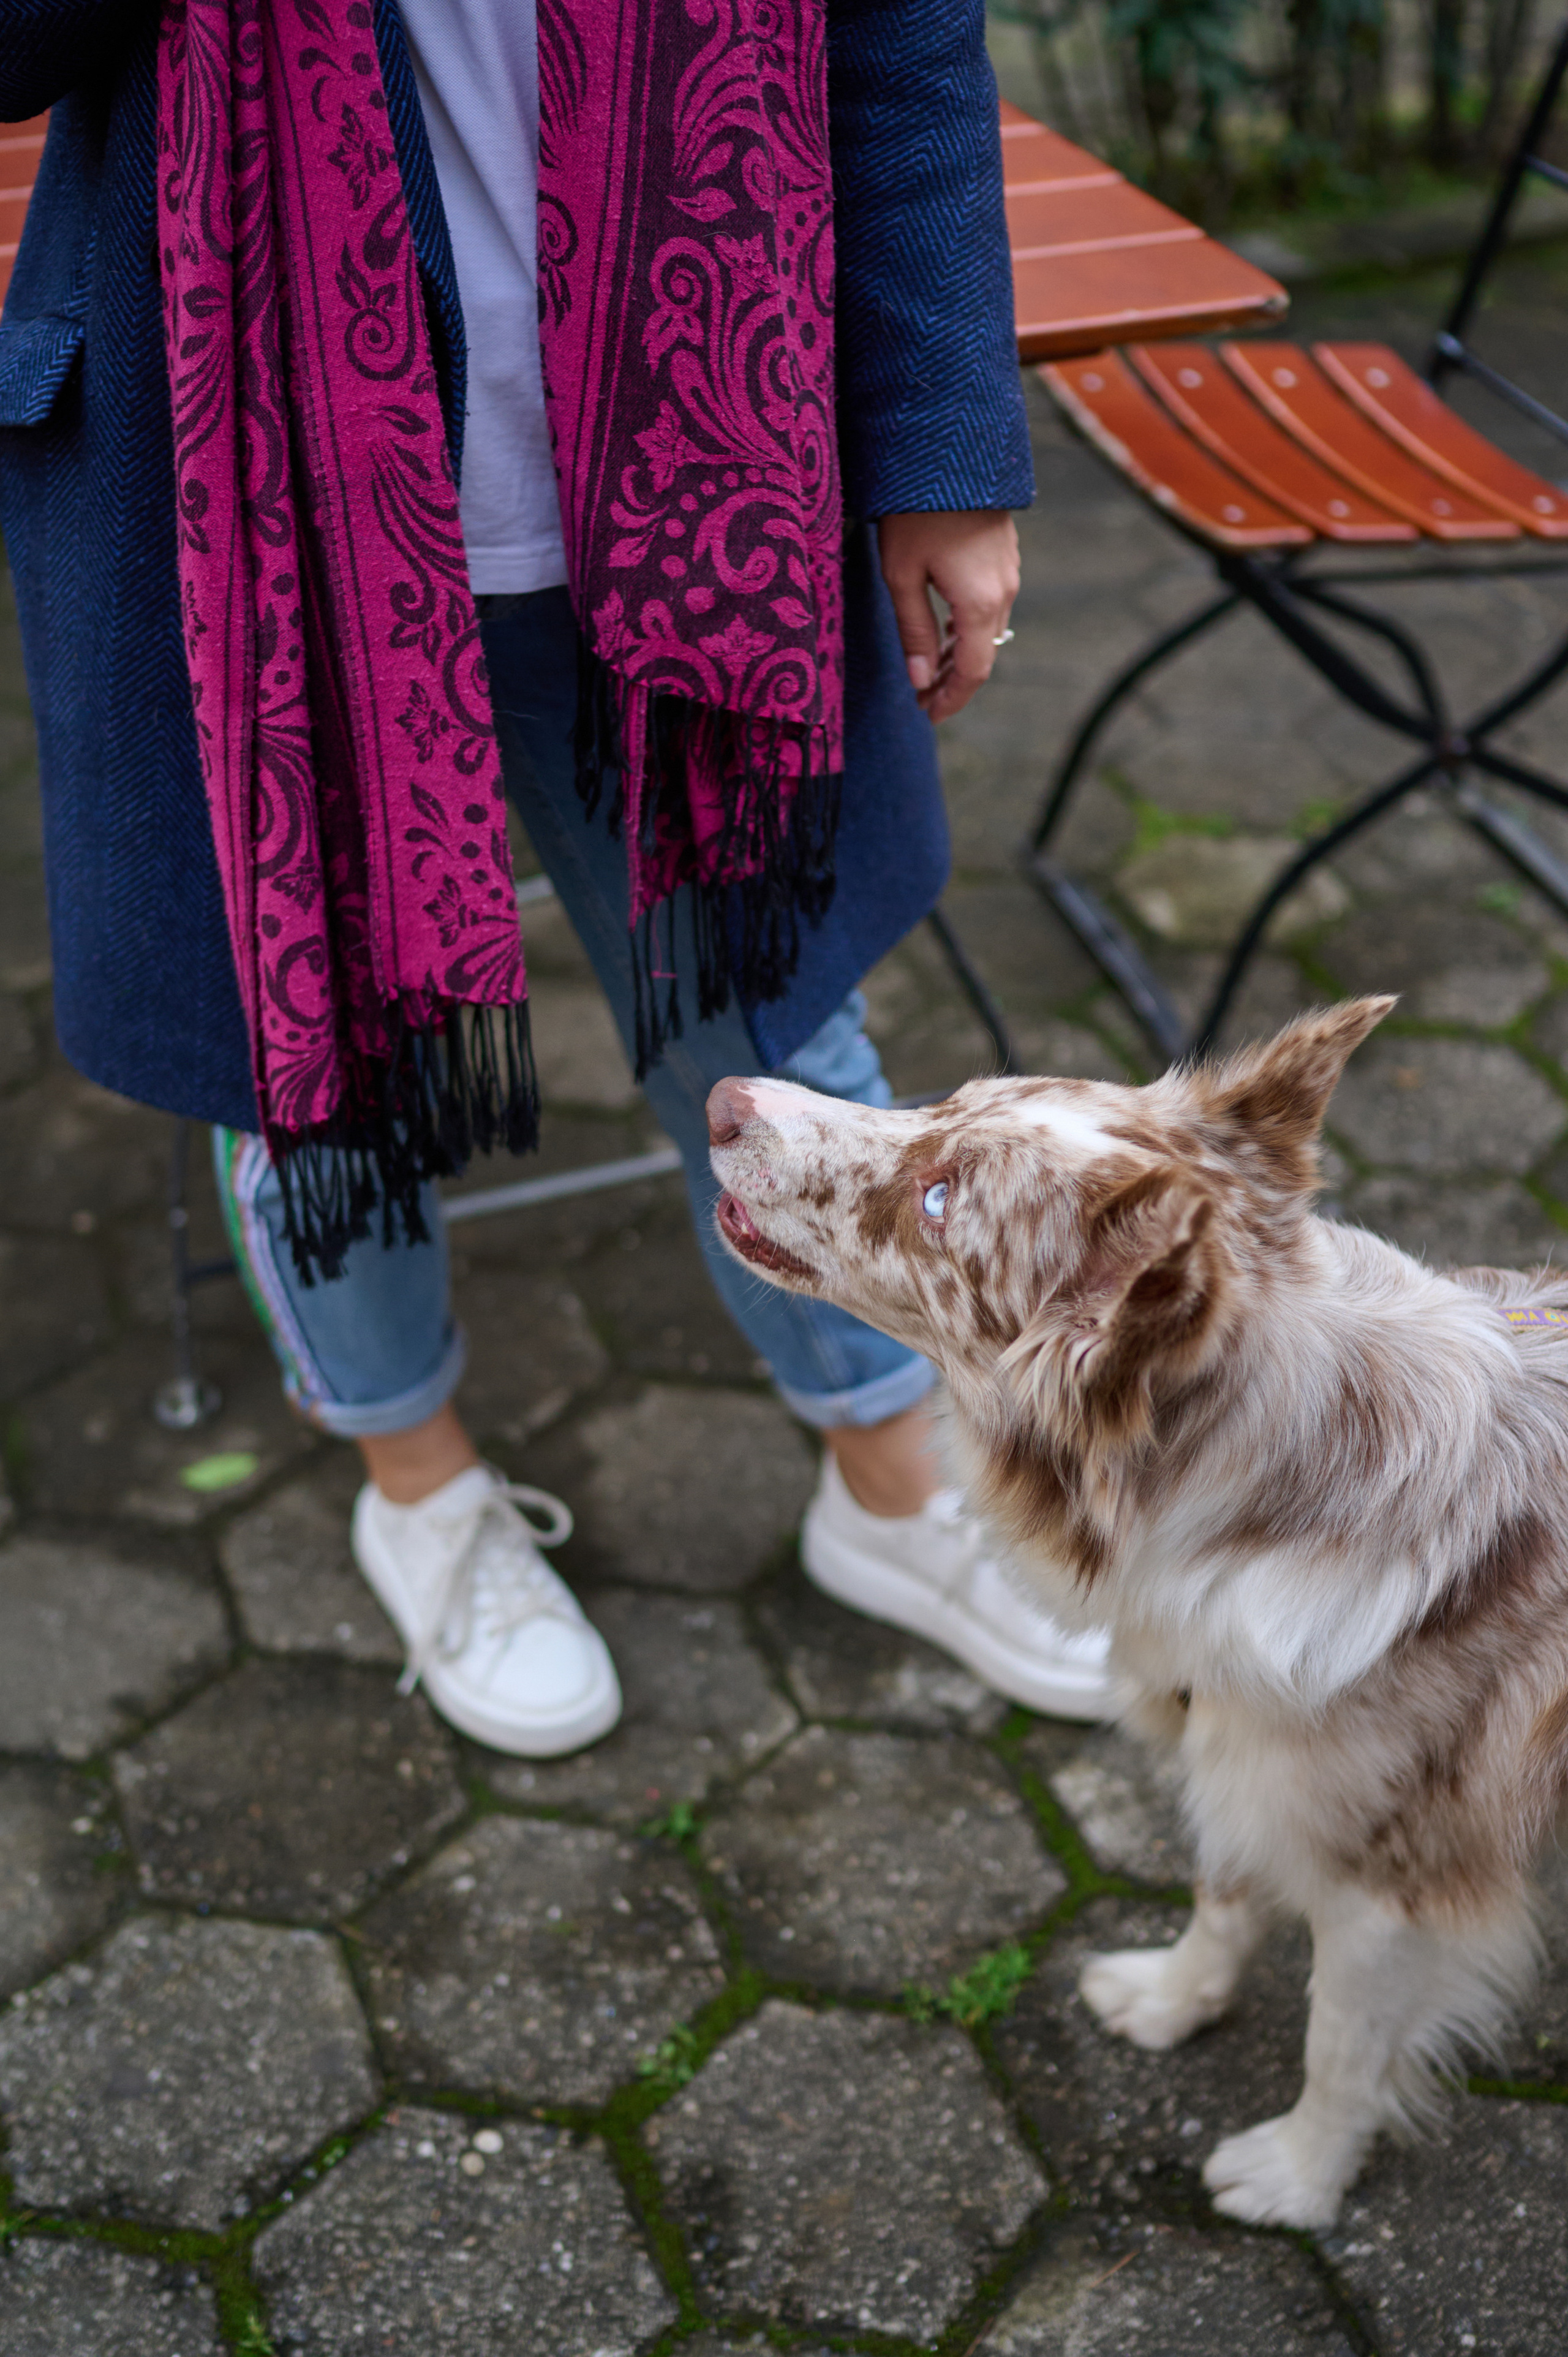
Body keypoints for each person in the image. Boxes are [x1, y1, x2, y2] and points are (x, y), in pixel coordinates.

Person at [1, 0, 1112, 1757]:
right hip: (258, 483)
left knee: (767, 1013)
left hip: (690, 457)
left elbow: (898, 38)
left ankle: (893, 1484)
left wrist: (944, 447)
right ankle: (423, 1495)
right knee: (313, 1057)